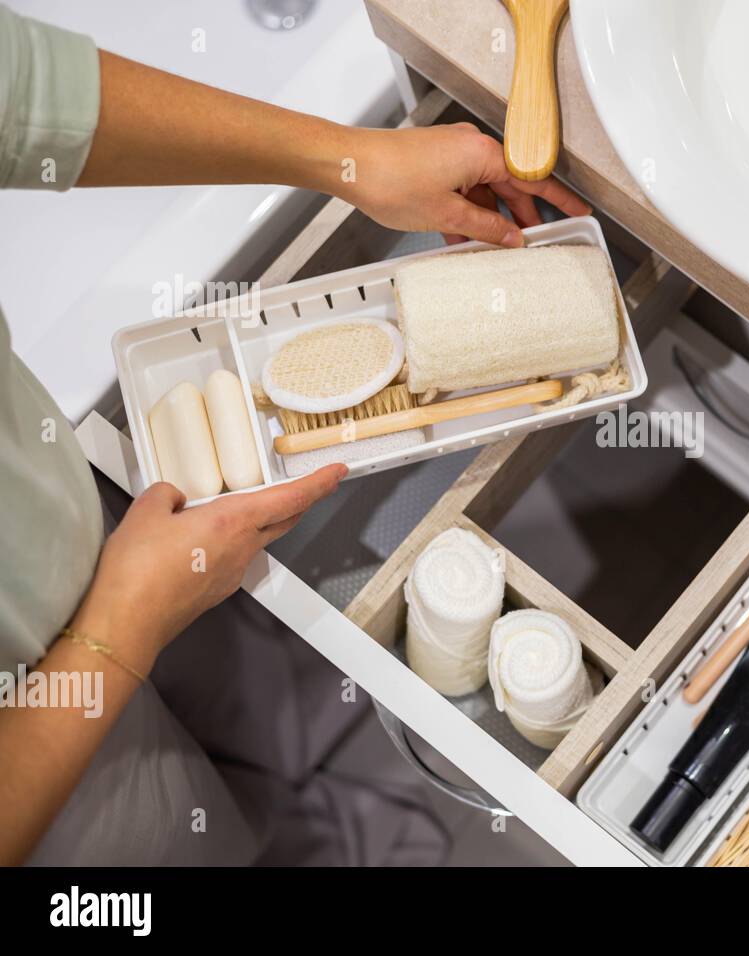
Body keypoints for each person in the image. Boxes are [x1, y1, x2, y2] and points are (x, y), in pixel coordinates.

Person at [0, 5, 590, 865]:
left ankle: (298, 801)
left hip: (76, 529)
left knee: (234, 703)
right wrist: (121, 626)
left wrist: (353, 160)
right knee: (191, 837)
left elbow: (27, 93)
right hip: (51, 780)